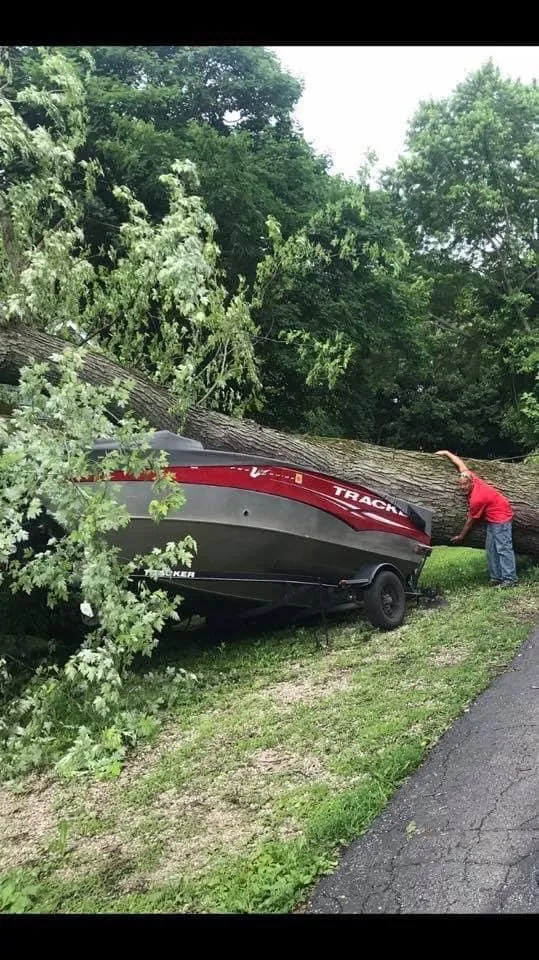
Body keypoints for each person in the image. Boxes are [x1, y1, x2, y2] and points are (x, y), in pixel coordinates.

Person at [435, 450, 517, 588]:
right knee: (491, 549)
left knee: (503, 548)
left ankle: (510, 580)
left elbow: (470, 521)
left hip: (501, 517)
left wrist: (461, 536)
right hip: (492, 518)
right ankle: (496, 577)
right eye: (460, 484)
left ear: (471, 482)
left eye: (465, 485)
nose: (462, 488)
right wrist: (446, 453)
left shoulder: (476, 499)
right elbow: (460, 464)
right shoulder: (470, 475)